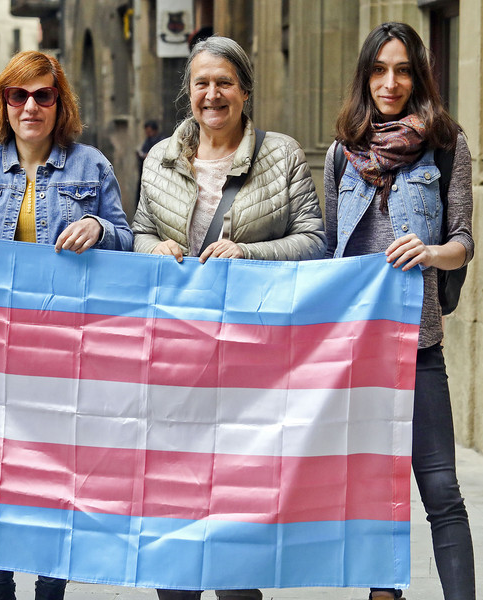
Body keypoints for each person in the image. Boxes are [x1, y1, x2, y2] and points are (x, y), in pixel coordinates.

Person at [130, 36, 325, 600]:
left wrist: (249, 253)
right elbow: (139, 231)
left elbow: (315, 242)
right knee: (176, 516)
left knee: (238, 522)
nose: (212, 95)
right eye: (201, 83)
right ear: (188, 93)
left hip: (252, 366)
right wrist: (153, 248)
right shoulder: (160, 158)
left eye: (224, 83)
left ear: (245, 91)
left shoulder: (282, 155)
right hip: (177, 361)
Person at [0, 50, 133, 600]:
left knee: (60, 475)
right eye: (19, 95)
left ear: (59, 103)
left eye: (43, 95)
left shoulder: (91, 166)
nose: (31, 106)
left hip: (66, 350)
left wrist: (97, 225)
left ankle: (51, 590)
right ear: (5, 102)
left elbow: (126, 236)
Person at [323, 22, 476, 600]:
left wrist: (430, 252)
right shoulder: (343, 152)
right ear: (366, 76)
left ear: (419, 77)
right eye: (380, 70)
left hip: (418, 347)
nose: (391, 82)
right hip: (356, 353)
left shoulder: (446, 143)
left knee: (441, 491)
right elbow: (331, 251)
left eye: (403, 70)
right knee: (367, 493)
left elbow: (463, 239)